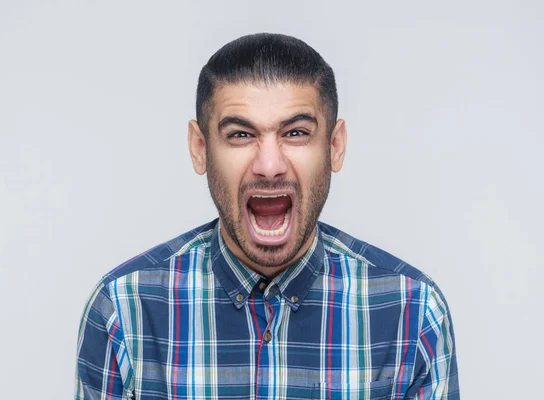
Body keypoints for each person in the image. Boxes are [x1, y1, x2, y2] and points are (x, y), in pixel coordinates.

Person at [74, 33, 460, 400]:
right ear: (200, 148)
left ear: (335, 146)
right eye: (241, 135)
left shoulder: (412, 313)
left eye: (295, 133)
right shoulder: (123, 309)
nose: (270, 165)